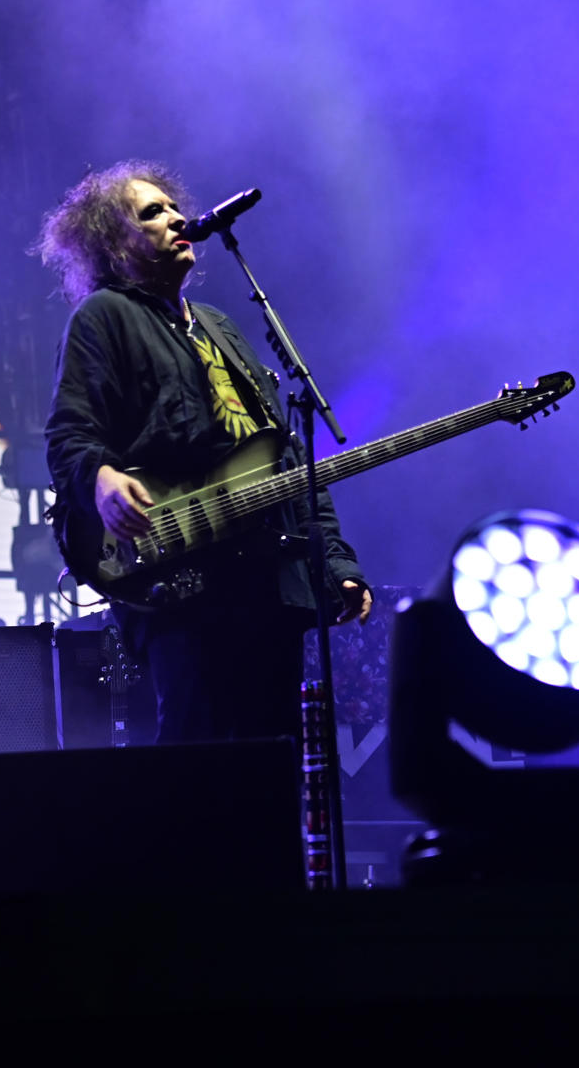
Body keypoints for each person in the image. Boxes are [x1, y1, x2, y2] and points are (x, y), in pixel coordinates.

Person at [39, 161, 370, 745]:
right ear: (115, 245)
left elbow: (290, 464)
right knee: (200, 759)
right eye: (152, 213)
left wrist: (337, 565)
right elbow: (69, 433)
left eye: (173, 207)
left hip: (269, 579)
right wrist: (102, 478)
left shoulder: (220, 328)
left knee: (275, 763)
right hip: (183, 580)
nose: (176, 217)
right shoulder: (105, 316)